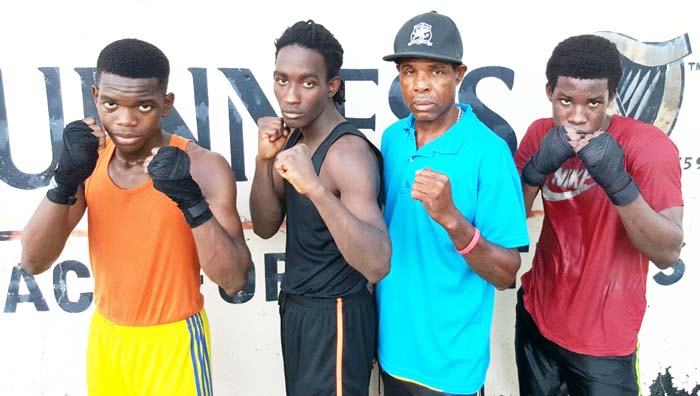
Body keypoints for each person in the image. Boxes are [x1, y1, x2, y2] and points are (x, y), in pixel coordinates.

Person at [21, 38, 251, 396]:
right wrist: (64, 180)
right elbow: (33, 261)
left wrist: (190, 201)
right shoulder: (90, 160)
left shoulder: (204, 167)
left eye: (143, 105)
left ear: (166, 104)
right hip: (106, 338)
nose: (125, 121)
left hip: (173, 341)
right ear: (96, 96)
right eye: (111, 104)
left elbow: (234, 280)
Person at [514, 34, 684, 395]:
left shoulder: (649, 148)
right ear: (549, 92)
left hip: (605, 342)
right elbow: (508, 223)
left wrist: (620, 184)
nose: (578, 116)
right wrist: (535, 170)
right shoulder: (540, 134)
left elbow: (668, 251)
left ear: (611, 97)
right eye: (565, 101)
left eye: (593, 103)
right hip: (537, 317)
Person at [376, 11, 530, 396]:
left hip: (450, 367)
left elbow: (506, 273)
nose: (420, 85)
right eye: (409, 71)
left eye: (436, 71)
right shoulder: (394, 137)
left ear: (459, 75)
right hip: (391, 351)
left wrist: (452, 220)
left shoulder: (489, 153)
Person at [249, 20, 391, 396]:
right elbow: (265, 226)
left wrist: (314, 188)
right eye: (282, 80)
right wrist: (265, 161)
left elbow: (377, 263)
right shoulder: (293, 138)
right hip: (298, 308)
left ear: (331, 86)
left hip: (337, 314)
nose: (290, 96)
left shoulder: (348, 154)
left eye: (307, 83)